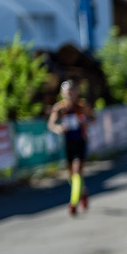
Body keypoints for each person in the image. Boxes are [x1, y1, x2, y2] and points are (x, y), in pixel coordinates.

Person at [47, 80, 96, 216]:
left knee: (77, 170)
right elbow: (51, 124)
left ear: (76, 92)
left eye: (72, 91)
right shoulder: (59, 108)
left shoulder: (82, 105)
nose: (70, 94)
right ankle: (83, 192)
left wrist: (86, 121)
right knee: (71, 175)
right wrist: (58, 128)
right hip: (68, 142)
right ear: (63, 93)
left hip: (80, 141)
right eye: (67, 92)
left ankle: (73, 203)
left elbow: (93, 118)